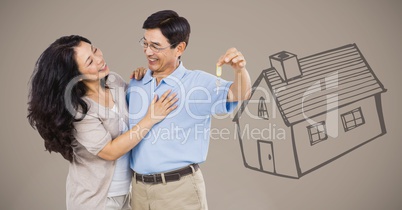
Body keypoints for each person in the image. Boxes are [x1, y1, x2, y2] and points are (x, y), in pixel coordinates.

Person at [27, 35, 178, 210]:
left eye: (95, 50)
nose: (99, 59)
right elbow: (110, 151)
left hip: (127, 194)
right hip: (96, 201)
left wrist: (142, 79)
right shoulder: (79, 109)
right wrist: (151, 119)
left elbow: (140, 107)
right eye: (90, 62)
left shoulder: (114, 82)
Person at [127, 10, 252, 210]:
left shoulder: (198, 83)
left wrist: (240, 70)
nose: (148, 52)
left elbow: (240, 94)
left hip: (178, 192)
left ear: (179, 48)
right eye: (145, 43)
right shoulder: (137, 84)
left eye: (156, 46)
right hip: (138, 192)